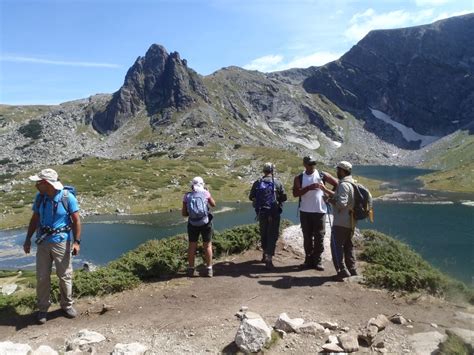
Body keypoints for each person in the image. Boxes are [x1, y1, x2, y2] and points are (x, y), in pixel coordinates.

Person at [23, 168, 81, 324]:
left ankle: (67, 305)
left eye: (39, 182)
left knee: (65, 276)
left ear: (47, 183)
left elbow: (76, 220)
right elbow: (34, 219)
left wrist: (76, 242)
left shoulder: (67, 198)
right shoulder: (40, 197)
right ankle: (43, 309)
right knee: (42, 277)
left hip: (62, 242)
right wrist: (28, 239)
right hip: (43, 243)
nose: (36, 185)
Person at [292, 156, 337, 270]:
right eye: (310, 164)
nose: (312, 166)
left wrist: (328, 194)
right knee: (307, 237)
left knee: (319, 236)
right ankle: (308, 260)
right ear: (305, 165)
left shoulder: (323, 175)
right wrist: (309, 188)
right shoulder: (299, 177)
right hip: (305, 211)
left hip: (320, 211)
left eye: (313, 164)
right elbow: (296, 193)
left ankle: (317, 260)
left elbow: (337, 184)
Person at [319, 161, 358, 280]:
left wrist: (328, 200)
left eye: (338, 170)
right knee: (348, 245)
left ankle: (341, 271)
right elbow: (339, 196)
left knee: (336, 246)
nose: (336, 172)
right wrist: (326, 190)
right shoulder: (352, 183)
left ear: (342, 171)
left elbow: (341, 203)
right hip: (350, 221)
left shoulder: (343, 185)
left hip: (341, 221)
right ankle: (352, 269)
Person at [249, 162, 287, 269]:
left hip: (262, 212)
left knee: (264, 233)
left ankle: (264, 254)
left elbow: (251, 196)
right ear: (272, 171)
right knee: (272, 234)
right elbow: (284, 197)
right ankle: (269, 259)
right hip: (274, 213)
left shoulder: (257, 183)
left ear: (263, 171)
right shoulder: (277, 183)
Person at [182, 176, 216, 277]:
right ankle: (209, 269)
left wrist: (192, 214)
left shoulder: (187, 196)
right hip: (205, 222)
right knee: (207, 245)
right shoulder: (205, 193)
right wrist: (208, 193)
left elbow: (184, 213)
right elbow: (213, 204)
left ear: (192, 185)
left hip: (192, 224)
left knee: (192, 246)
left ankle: (191, 269)